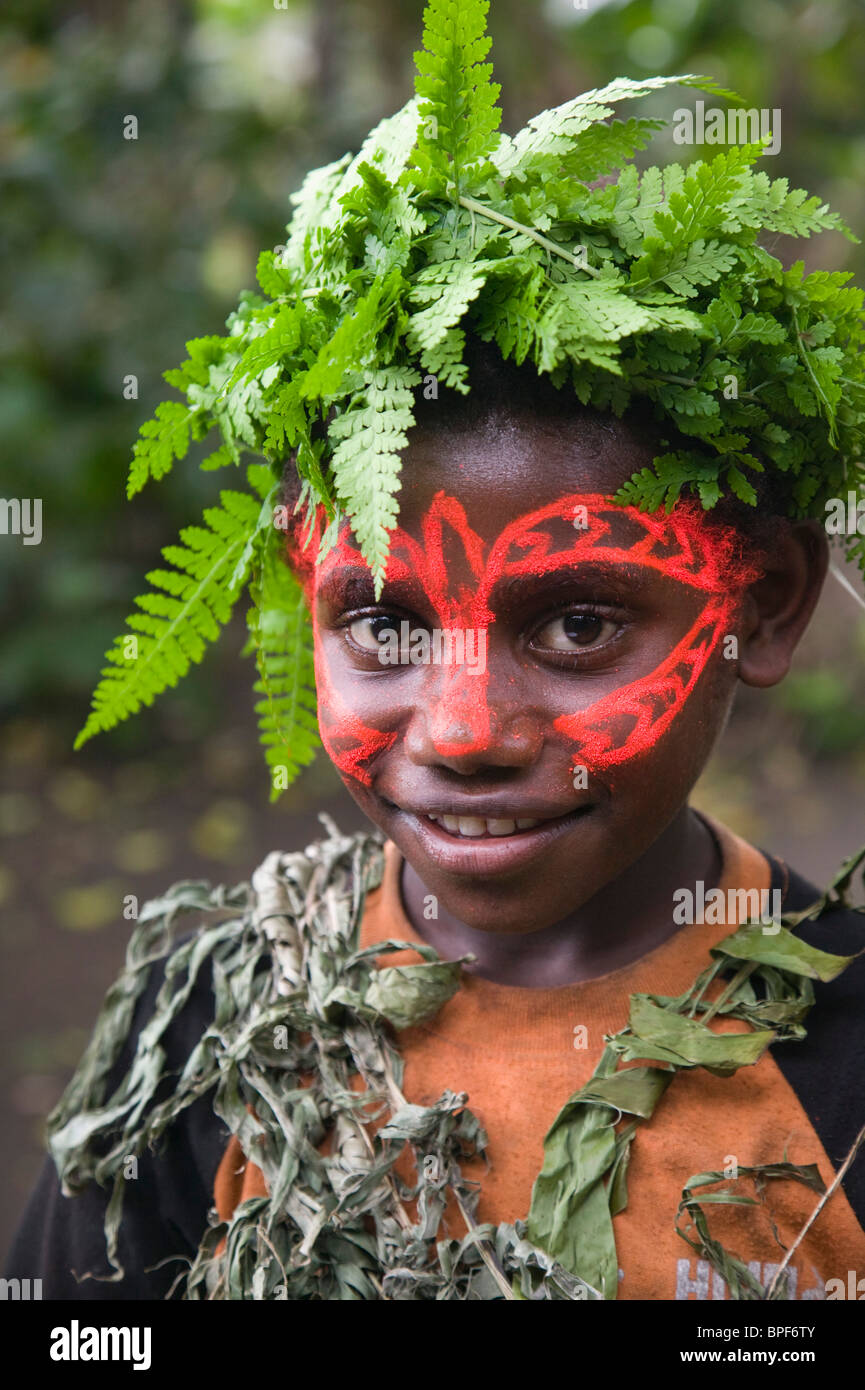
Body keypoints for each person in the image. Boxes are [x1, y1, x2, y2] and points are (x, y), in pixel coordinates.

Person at [6, 0, 865, 1301]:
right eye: (385, 622)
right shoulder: (205, 1037)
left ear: (767, 599)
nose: (463, 731)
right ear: (302, 584)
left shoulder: (845, 1064)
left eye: (578, 623)